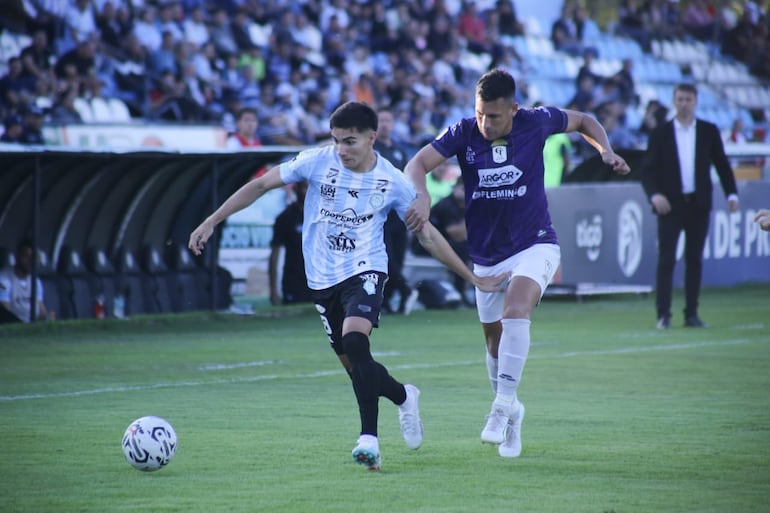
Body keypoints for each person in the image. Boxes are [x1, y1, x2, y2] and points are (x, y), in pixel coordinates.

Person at [189, 101, 505, 471]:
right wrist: (211, 221)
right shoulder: (316, 161)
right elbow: (260, 184)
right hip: (321, 279)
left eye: (350, 141)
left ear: (372, 138)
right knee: (358, 368)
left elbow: (429, 237)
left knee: (357, 341)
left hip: (366, 269)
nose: (342, 149)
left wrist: (472, 279)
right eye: (337, 140)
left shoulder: (391, 181)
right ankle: (405, 397)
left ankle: (368, 440)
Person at [404, 68, 630, 458]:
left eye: (493, 116)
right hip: (487, 255)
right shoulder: (463, 132)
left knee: (516, 309)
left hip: (535, 242)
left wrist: (604, 149)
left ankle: (500, 406)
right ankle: (513, 413)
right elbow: (416, 164)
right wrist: (421, 195)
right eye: (479, 113)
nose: (484, 123)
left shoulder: (536, 121)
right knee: (493, 343)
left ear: (514, 109)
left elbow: (584, 121)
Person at [641, 83, 739, 330]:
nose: (683, 104)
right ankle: (663, 314)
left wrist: (731, 195)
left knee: (694, 259)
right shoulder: (661, 133)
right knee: (667, 259)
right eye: (680, 99)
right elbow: (647, 170)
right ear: (674, 101)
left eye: (688, 99)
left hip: (698, 204)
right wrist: (654, 195)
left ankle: (691, 314)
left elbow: (722, 165)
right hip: (670, 206)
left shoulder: (708, 131)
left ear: (696, 101)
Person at [375, 107, 417, 314]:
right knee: (387, 258)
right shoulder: (373, 150)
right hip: (380, 214)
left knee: (398, 257)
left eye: (388, 120)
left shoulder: (399, 150)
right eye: (381, 120)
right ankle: (405, 289)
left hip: (399, 214)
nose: (385, 125)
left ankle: (389, 300)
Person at [429, 178, 472, 305]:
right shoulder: (447, 205)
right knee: (462, 248)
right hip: (426, 244)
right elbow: (456, 234)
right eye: (464, 189)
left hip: (446, 243)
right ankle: (460, 292)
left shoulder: (463, 204)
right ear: (455, 188)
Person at [268, 181, 312, 305]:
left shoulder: (322, 216)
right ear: (294, 189)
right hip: (294, 282)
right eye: (301, 187)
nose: (304, 191)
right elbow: (274, 255)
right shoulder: (285, 218)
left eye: (307, 188)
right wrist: (273, 291)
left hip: (319, 281)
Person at [0, 239, 50, 323]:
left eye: (34, 257)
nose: (30, 261)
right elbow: (5, 313)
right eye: (26, 256)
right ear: (17, 257)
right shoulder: (4, 280)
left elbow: (41, 311)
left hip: (33, 328)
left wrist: (47, 318)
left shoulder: (36, 282)